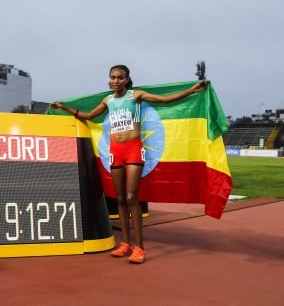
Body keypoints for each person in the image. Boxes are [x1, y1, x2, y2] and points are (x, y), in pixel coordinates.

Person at [50, 64, 207, 264]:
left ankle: (139, 247)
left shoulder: (135, 96)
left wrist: (191, 90)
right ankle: (125, 244)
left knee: (132, 197)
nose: (115, 81)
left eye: (119, 78)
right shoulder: (107, 100)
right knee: (120, 198)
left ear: (127, 80)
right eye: (112, 77)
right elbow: (88, 116)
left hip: (133, 149)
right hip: (116, 151)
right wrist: (64, 107)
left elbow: (165, 99)